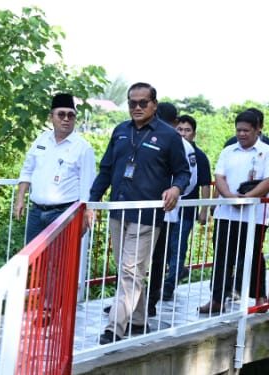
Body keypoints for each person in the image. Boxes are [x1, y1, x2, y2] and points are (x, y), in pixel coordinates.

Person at [87, 83, 191, 345]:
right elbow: (106, 168)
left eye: (143, 103)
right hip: (118, 210)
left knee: (131, 270)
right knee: (129, 269)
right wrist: (93, 201)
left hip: (147, 214)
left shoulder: (169, 136)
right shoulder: (121, 131)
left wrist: (176, 188)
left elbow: (183, 172)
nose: (136, 107)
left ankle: (115, 327)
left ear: (154, 104)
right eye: (132, 102)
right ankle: (138, 318)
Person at [198, 110, 269, 314]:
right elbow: (219, 176)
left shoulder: (268, 152)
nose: (241, 134)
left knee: (252, 255)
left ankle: (260, 296)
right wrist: (229, 197)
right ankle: (217, 298)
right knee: (222, 255)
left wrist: (248, 197)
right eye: (238, 130)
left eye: (246, 130)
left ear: (257, 130)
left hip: (254, 214)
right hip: (226, 212)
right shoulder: (228, 151)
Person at [14, 93, 96, 243]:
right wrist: (20, 199)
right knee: (34, 261)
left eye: (71, 115)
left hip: (64, 215)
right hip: (36, 213)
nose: (66, 119)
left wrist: (87, 212)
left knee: (59, 263)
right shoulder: (41, 139)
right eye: (61, 114)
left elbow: (88, 186)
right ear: (51, 117)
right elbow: (27, 170)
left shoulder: (83, 148)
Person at [147, 103, 197, 317]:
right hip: (143, 210)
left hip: (166, 211)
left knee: (157, 258)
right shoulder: (146, 136)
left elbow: (190, 180)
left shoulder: (183, 146)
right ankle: (127, 302)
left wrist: (173, 192)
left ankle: (149, 301)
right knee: (136, 259)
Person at [162, 114, 212, 300]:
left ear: (194, 134)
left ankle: (168, 287)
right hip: (166, 208)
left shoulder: (198, 156)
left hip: (187, 209)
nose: (183, 134)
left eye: (187, 130)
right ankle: (175, 273)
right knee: (165, 248)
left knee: (178, 246)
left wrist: (204, 210)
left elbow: (205, 184)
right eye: (179, 130)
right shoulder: (170, 150)